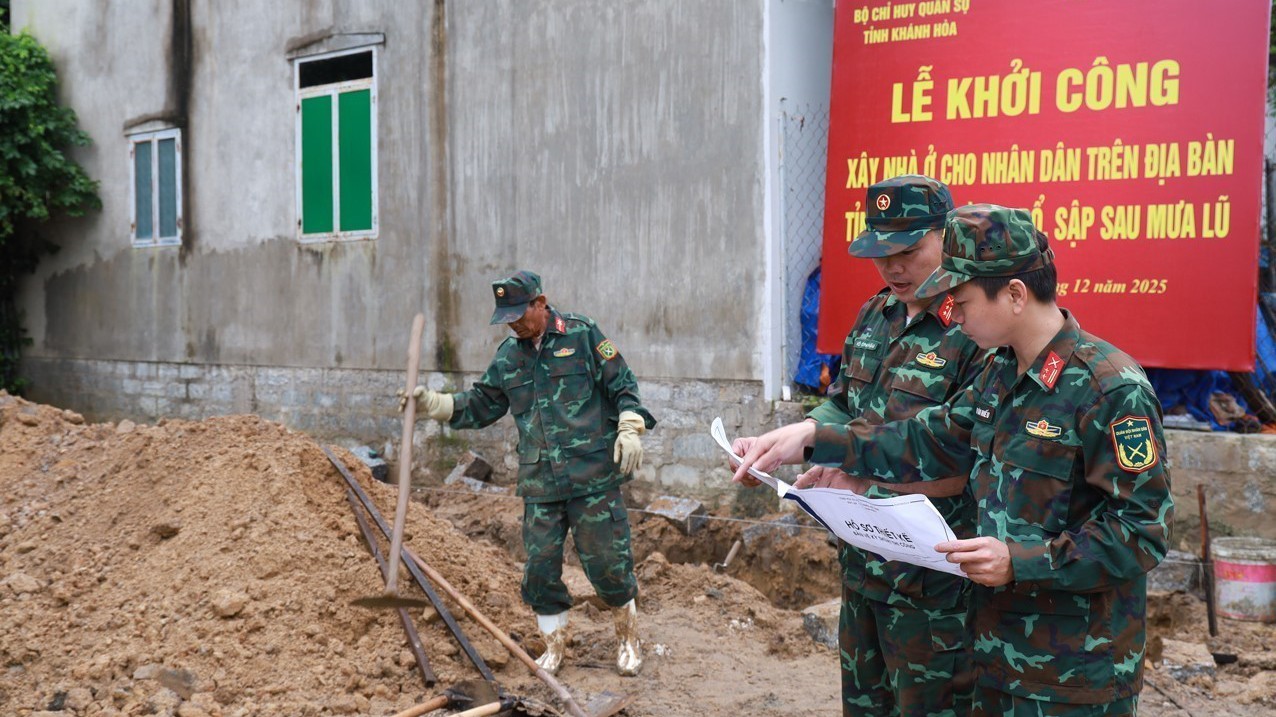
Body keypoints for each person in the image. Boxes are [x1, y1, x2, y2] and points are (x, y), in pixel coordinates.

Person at [732, 206, 1173, 716]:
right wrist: (810, 440)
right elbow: (924, 439)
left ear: (1013, 294)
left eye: (961, 300)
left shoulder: (1109, 390)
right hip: (990, 654)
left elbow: (1143, 530)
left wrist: (1019, 561)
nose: (954, 315)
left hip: (1073, 675)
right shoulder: (1001, 374)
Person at [737, 175, 982, 717]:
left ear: (948, 236)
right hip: (865, 561)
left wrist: (828, 447)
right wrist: (794, 441)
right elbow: (843, 404)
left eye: (909, 250)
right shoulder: (877, 315)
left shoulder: (976, 327)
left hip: (936, 582)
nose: (893, 268)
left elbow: (962, 452)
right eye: (881, 253)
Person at [400, 269, 656, 676]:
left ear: (541, 302)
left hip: (592, 477)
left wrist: (630, 425)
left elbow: (622, 384)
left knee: (609, 565)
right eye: (508, 317)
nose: (515, 323)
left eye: (521, 313)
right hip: (541, 483)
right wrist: (435, 403)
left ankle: (627, 638)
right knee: (539, 572)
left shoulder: (581, 334)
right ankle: (554, 647)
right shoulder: (508, 357)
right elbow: (480, 405)